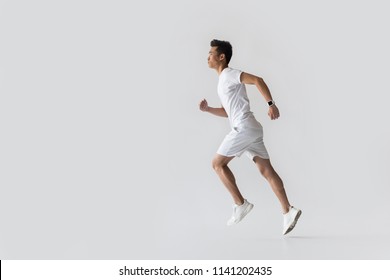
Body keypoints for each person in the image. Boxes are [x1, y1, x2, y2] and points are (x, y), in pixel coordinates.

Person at [199, 39, 301, 235]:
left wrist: (271, 104)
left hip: (244, 127)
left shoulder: (229, 74)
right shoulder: (222, 81)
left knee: (217, 164)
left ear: (222, 57)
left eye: (211, 53)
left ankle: (240, 203)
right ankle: (288, 210)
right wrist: (208, 109)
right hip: (251, 128)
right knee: (267, 172)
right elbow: (228, 111)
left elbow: (257, 80)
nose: (208, 56)